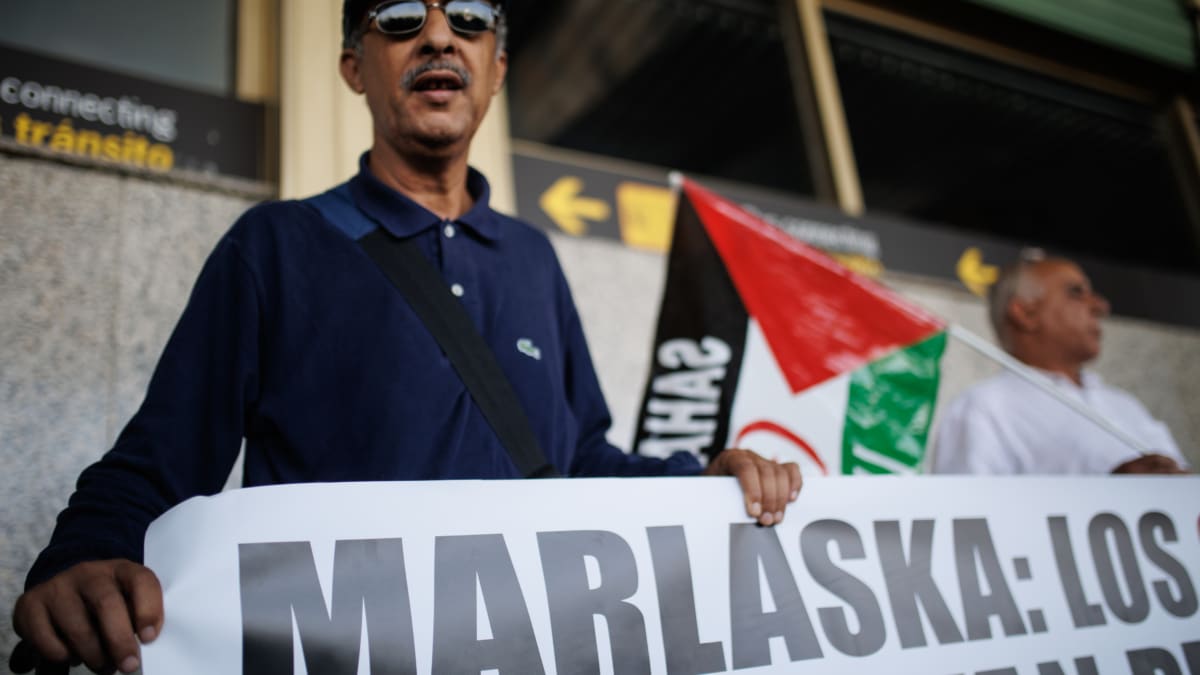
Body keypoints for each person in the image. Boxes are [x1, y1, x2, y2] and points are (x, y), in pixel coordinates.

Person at [9, 2, 802, 673]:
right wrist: (81, 557)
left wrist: (702, 482)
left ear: (495, 67)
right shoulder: (274, 245)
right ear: (355, 66)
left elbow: (583, 460)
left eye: (468, 19)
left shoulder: (535, 259)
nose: (437, 37)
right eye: (398, 18)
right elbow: (158, 460)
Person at [933, 251, 1189, 475]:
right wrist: (1111, 497)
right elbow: (973, 518)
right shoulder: (983, 409)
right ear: (1025, 313)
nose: (1100, 306)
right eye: (1076, 292)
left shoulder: (1126, 405)